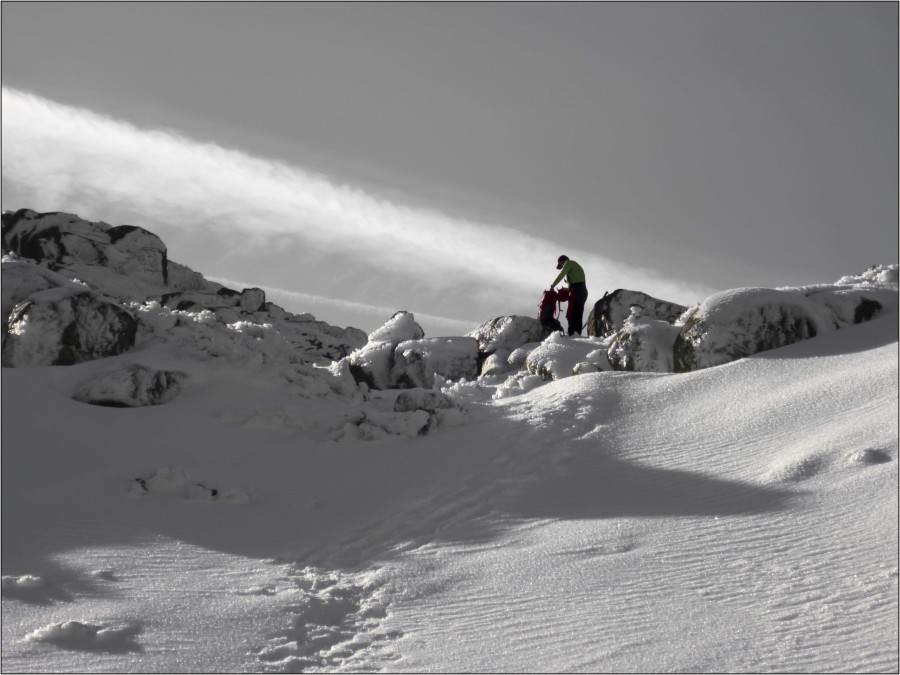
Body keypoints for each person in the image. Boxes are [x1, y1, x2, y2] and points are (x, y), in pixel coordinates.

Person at [550, 255, 588, 335]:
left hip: (577, 290)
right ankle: (577, 333)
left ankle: (572, 334)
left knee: (571, 313)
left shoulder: (568, 263)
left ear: (562, 261)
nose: (561, 267)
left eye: (560, 265)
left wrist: (552, 286)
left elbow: (561, 274)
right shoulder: (576, 266)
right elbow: (572, 284)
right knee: (578, 313)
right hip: (582, 291)